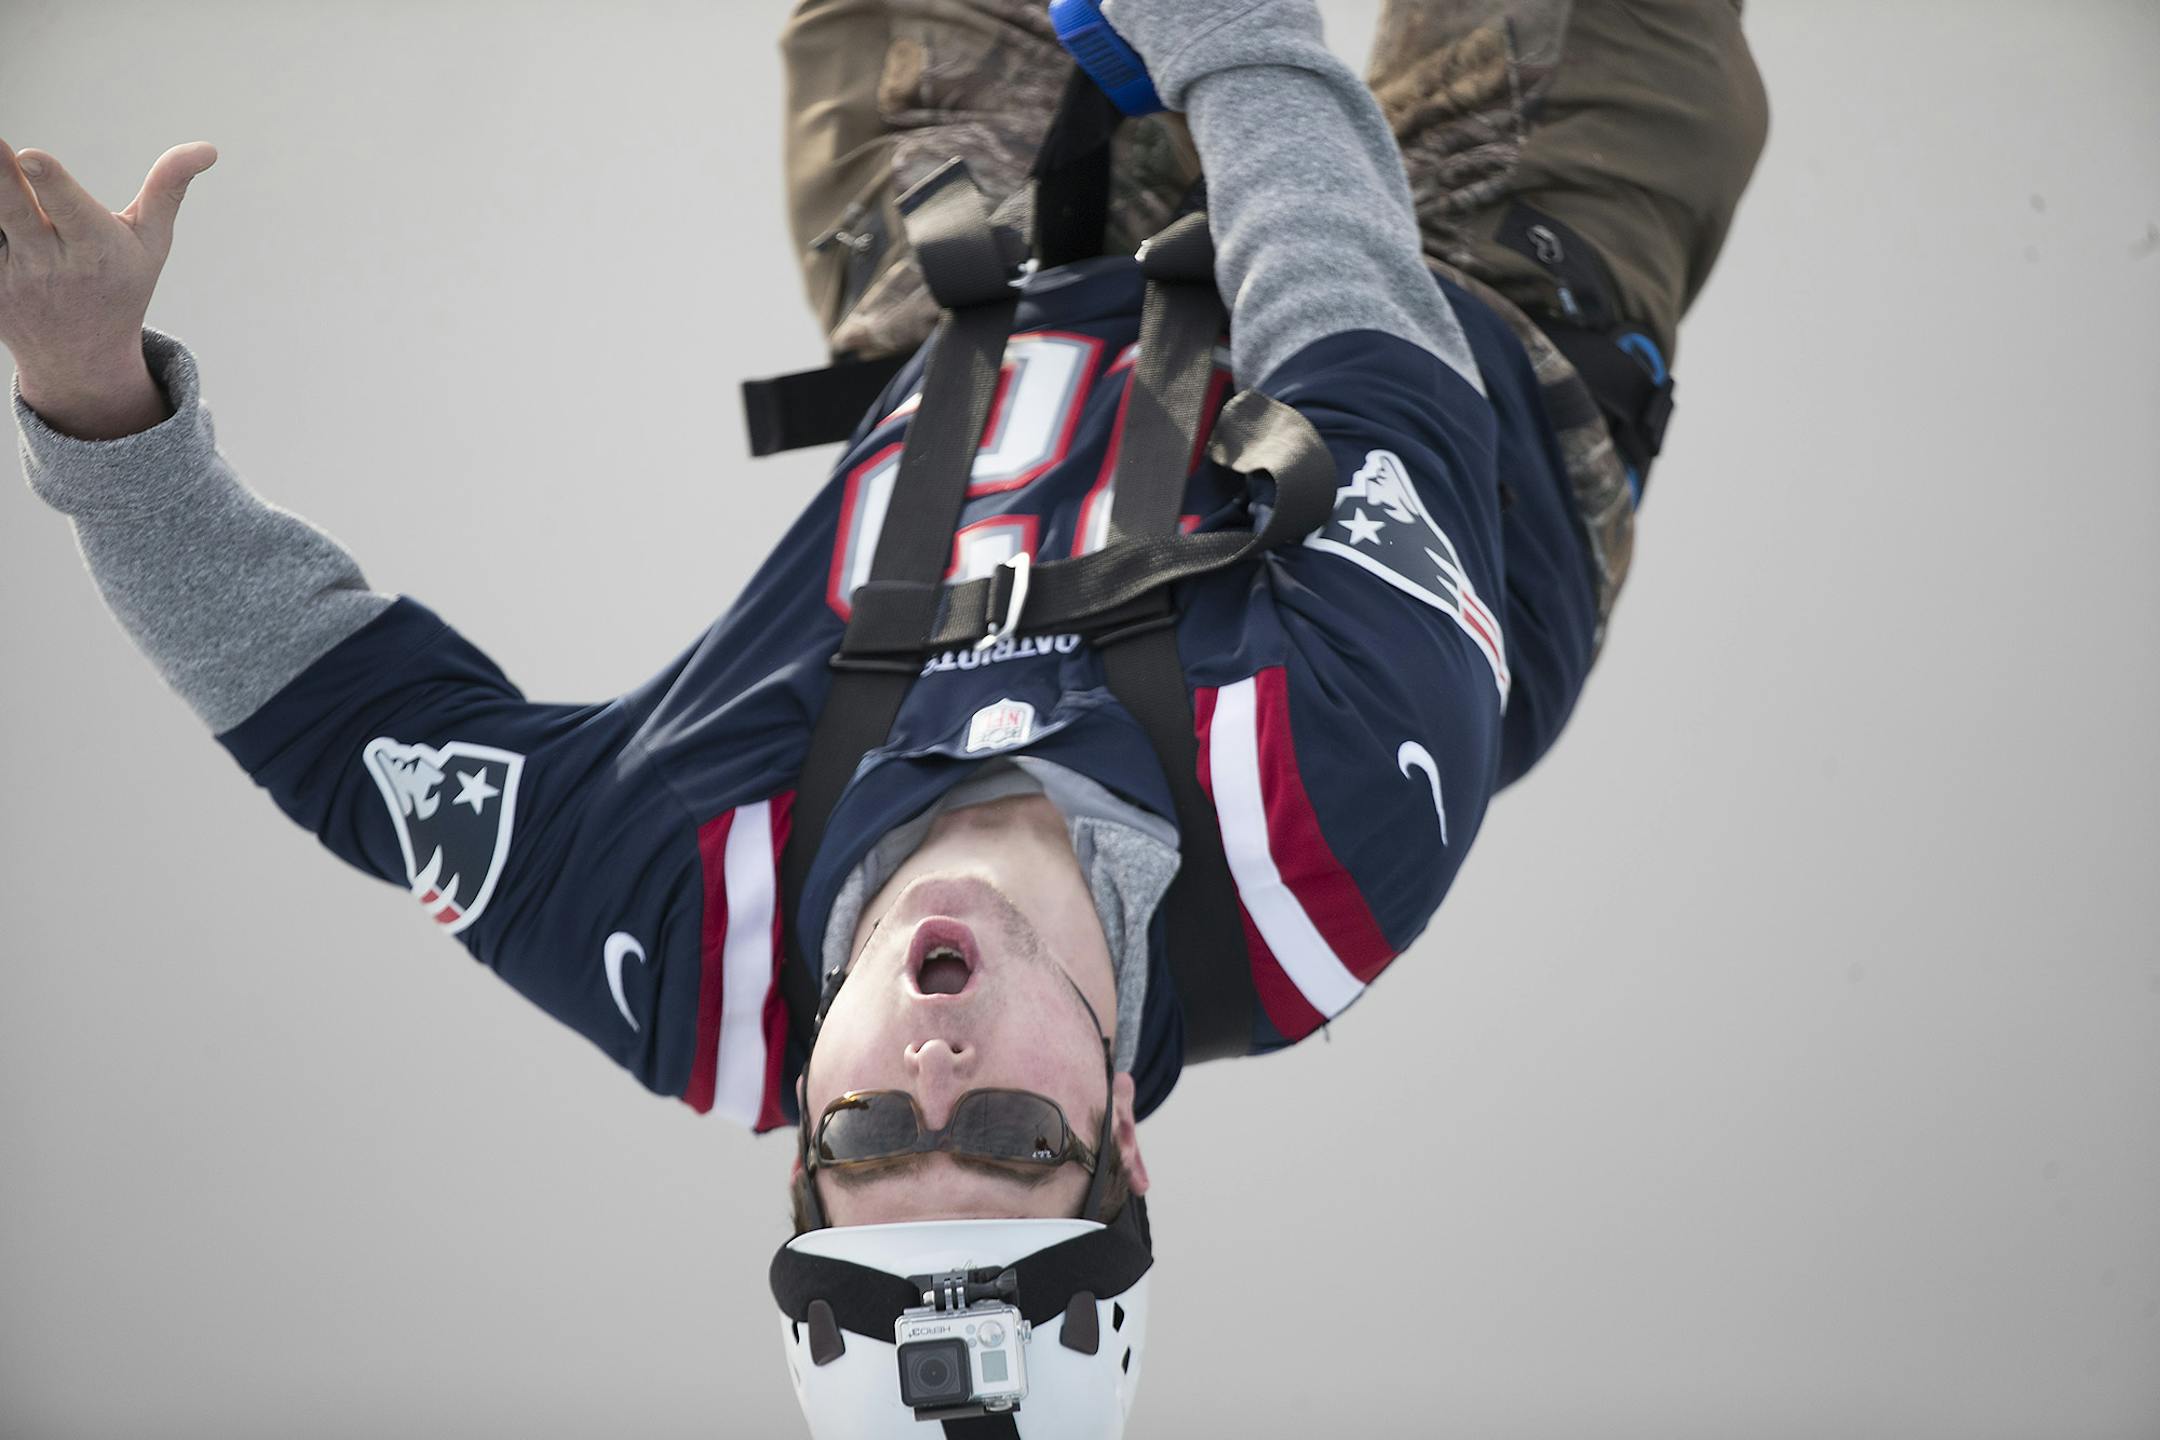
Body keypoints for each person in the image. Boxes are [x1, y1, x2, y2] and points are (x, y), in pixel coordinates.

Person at [4, 0, 1764, 1432]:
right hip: (1471, 317)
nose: (933, 1070)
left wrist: (87, 387)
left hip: (999, 317)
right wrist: (1219, 19)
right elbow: (1341, 296)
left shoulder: (679, 938)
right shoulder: (1333, 818)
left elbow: (322, 715)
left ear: (796, 1132)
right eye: (1005, 1137)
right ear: (1122, 1135)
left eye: (871, 1140)